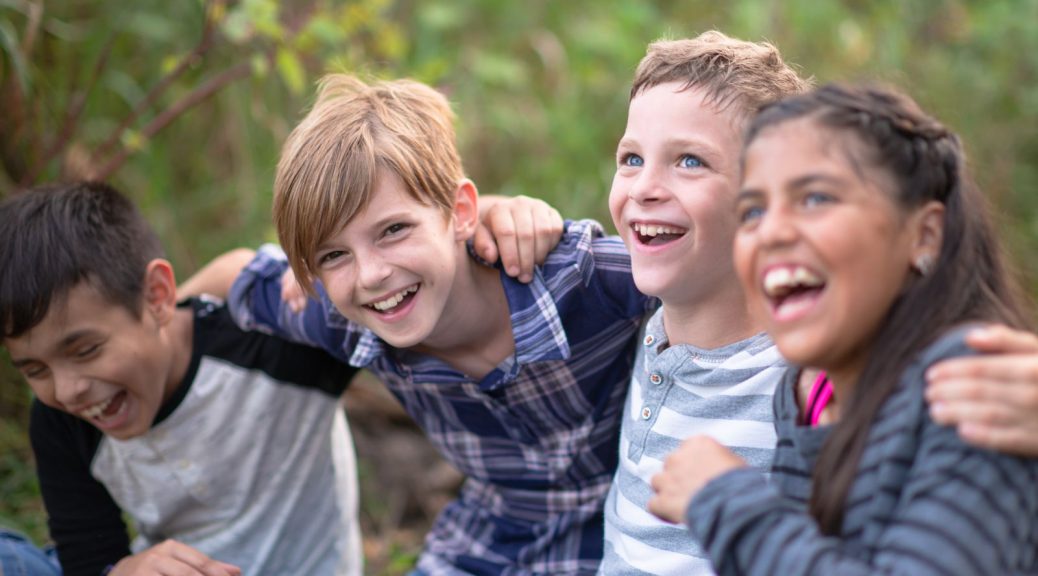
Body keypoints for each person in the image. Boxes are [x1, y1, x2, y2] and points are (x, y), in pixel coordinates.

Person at [226, 74, 656, 575]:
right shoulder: (344, 316)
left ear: (461, 212)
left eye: (393, 230)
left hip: (629, 536)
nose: (371, 275)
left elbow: (721, 274)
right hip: (487, 546)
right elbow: (226, 278)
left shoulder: (584, 281)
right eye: (334, 254)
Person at [648, 83, 1038, 574]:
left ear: (924, 234)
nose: (772, 232)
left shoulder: (969, 383)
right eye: (752, 211)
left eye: (815, 198)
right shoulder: (807, 394)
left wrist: (725, 500)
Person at [0, 182, 363, 576]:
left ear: (157, 295)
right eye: (35, 370)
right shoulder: (61, 424)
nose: (68, 391)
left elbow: (377, 317)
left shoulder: (262, 347)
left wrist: (275, 271)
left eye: (85, 350)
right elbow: (87, 555)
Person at [598, 33, 811, 574]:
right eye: (631, 158)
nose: (644, 187)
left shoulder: (800, 385)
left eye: (689, 161)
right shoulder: (646, 325)